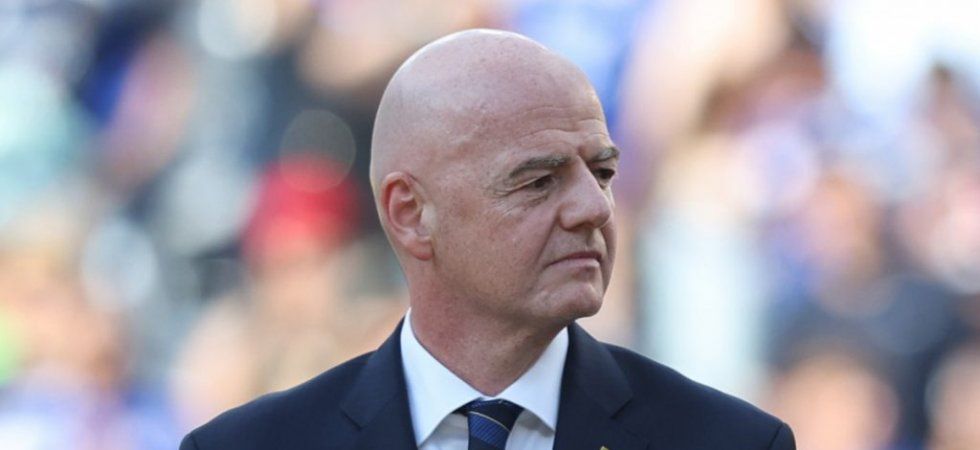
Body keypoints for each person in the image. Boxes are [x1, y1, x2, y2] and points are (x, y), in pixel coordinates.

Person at [179, 29, 796, 450]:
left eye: (602, 173)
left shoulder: (729, 441)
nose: (593, 207)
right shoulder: (249, 445)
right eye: (538, 181)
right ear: (411, 214)